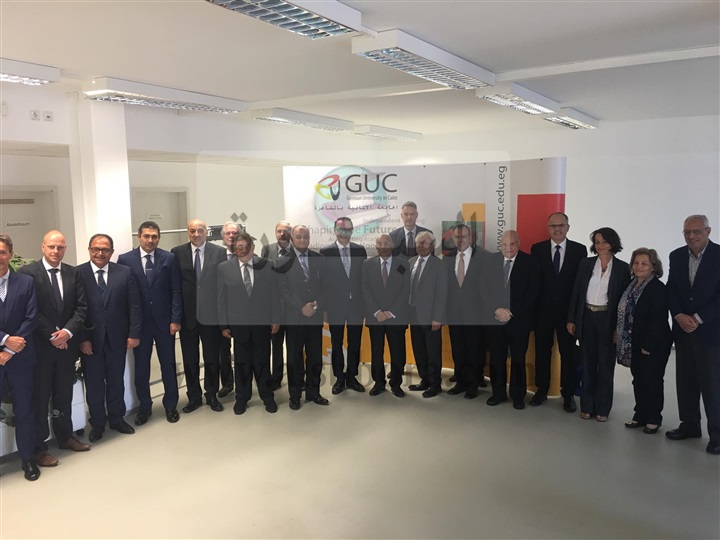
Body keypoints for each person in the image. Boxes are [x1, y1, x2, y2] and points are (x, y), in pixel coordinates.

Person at [19, 230, 89, 465]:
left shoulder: (73, 273)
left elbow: (81, 307)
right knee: (40, 398)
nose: (56, 251)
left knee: (63, 394)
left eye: (60, 247)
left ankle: (65, 436)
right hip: (41, 348)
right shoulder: (28, 273)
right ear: (43, 247)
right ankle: (39, 447)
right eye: (51, 246)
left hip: (66, 346)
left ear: (65, 248)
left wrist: (67, 332)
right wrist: (53, 335)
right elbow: (30, 311)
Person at [77, 234, 141, 442]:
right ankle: (97, 423)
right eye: (95, 249)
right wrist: (82, 339)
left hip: (117, 338)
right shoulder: (78, 273)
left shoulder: (124, 272)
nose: (100, 253)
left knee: (116, 381)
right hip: (90, 341)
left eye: (105, 249)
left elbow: (134, 305)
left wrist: (134, 333)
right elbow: (75, 309)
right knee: (94, 384)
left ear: (111, 252)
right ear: (89, 250)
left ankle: (117, 419)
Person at [118, 221, 182, 425]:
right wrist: (129, 326)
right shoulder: (125, 260)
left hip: (165, 323)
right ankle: (144, 407)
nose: (150, 240)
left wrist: (175, 319)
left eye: (154, 236)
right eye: (146, 236)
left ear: (159, 238)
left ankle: (170, 405)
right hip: (140, 324)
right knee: (142, 368)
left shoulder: (169, 258)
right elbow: (123, 295)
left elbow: (176, 290)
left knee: (168, 365)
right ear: (139, 237)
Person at [666, 214, 720, 455]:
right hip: (683, 330)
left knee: (712, 384)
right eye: (687, 232)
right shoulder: (677, 256)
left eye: (697, 231)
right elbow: (672, 289)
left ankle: (717, 435)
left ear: (708, 231)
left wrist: (697, 318)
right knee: (685, 381)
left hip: (710, 331)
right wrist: (678, 315)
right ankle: (689, 425)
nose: (691, 236)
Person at [567, 227, 630, 422]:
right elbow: (576, 292)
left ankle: (602, 408)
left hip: (607, 319)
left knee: (605, 366)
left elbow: (623, 301)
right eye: (597, 242)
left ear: (612, 243)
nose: (600, 245)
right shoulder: (586, 264)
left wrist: (618, 328)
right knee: (587, 363)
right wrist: (571, 319)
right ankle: (587, 406)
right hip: (586, 316)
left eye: (604, 241)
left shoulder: (622, 268)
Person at [217, 231, 281, 414]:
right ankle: (242, 398)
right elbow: (221, 299)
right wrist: (223, 325)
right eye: (240, 247)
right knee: (242, 363)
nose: (244, 250)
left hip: (262, 324)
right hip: (238, 325)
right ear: (234, 249)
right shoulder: (224, 268)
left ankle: (267, 397)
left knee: (262, 362)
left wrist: (276, 319)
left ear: (253, 247)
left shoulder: (267, 265)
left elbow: (274, 295)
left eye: (247, 246)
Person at [530, 212, 587, 411]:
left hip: (567, 314)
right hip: (543, 312)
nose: (557, 229)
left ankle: (568, 394)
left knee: (568, 354)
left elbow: (579, 285)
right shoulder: (537, 249)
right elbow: (535, 282)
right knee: (542, 352)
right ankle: (541, 390)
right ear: (548, 228)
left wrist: (575, 315)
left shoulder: (579, 250)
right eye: (553, 226)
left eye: (561, 225)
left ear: (567, 227)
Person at [171, 219, 226, 414]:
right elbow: (175, 286)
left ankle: (211, 394)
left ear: (207, 232)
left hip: (211, 316)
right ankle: (194, 396)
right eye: (192, 231)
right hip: (187, 317)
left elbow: (222, 287)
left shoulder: (219, 252)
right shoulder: (177, 252)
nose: (196, 234)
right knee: (189, 358)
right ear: (187, 232)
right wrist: (175, 316)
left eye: (200, 230)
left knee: (212, 357)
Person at [616, 248, 672, 434]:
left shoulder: (657, 288)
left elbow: (658, 320)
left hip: (653, 345)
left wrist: (648, 345)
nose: (639, 266)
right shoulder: (631, 285)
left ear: (653, 266)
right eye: (636, 263)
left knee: (652, 380)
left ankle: (654, 418)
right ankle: (640, 414)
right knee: (638, 380)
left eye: (644, 263)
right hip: (633, 342)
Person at [0, 234, 40, 480]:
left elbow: (32, 318)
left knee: (24, 411)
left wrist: (10, 350)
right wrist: (5, 340)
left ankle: (28, 458)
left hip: (21, 359)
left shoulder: (26, 282)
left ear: (10, 255)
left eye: (2, 252)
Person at [486, 230, 540, 409]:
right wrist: (496, 309)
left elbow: (532, 292)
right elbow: (482, 288)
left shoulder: (530, 262)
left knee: (518, 359)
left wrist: (510, 312)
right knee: (496, 359)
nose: (508, 248)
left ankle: (518, 396)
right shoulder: (491, 261)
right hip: (495, 320)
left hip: (519, 321)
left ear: (519, 243)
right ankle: (498, 394)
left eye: (512, 244)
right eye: (504, 244)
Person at [276, 225, 328, 410]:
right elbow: (283, 290)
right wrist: (301, 307)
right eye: (298, 237)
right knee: (294, 358)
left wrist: (315, 305)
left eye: (306, 237)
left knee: (315, 357)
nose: (303, 240)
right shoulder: (282, 261)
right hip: (294, 318)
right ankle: (295, 395)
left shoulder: (319, 259)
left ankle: (314, 393)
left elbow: (326, 286)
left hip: (314, 316)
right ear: (292, 239)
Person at [320, 217, 367, 395]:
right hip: (335, 307)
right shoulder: (325, 252)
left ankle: (352, 377)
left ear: (352, 230)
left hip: (356, 306)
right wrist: (324, 309)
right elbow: (323, 283)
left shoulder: (360, 250)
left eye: (348, 229)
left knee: (354, 343)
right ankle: (339, 378)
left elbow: (364, 280)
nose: (344, 233)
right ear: (335, 230)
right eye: (341, 229)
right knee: (336, 344)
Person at [443, 224, 490, 399]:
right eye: (457, 237)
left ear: (471, 238)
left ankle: (473, 384)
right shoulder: (447, 258)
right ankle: (461, 382)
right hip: (454, 313)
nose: (460, 240)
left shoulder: (484, 257)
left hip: (476, 314)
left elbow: (489, 287)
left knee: (474, 350)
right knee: (458, 349)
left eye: (464, 236)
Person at [362, 234, 410, 397]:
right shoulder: (367, 264)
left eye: (386, 243)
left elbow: (405, 289)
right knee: (376, 352)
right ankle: (379, 383)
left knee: (398, 352)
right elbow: (365, 289)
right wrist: (376, 312)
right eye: (380, 243)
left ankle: (396, 384)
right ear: (376, 246)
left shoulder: (402, 264)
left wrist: (391, 312)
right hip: (375, 317)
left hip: (396, 317)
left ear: (392, 245)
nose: (383, 246)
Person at [407, 231, 448, 398]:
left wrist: (438, 317)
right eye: (419, 243)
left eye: (425, 243)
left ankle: (435, 384)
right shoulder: (410, 262)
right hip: (413, 315)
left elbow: (442, 294)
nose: (422, 246)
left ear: (432, 246)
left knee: (433, 352)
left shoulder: (440, 265)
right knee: (419, 350)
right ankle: (424, 380)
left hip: (432, 317)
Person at [260, 220, 292, 390]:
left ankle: (297, 378)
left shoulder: (297, 250)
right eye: (279, 231)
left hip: (294, 307)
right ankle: (276, 378)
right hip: (274, 307)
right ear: (275, 233)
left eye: (286, 231)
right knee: (276, 345)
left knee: (295, 346)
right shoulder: (267, 250)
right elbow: (263, 277)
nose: (282, 234)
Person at [218, 220, 240, 397]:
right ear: (223, 237)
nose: (231, 236)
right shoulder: (216, 256)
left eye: (235, 233)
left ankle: (243, 382)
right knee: (222, 351)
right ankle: (227, 383)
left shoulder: (247, 254)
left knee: (242, 351)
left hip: (242, 313)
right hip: (222, 311)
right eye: (228, 233)